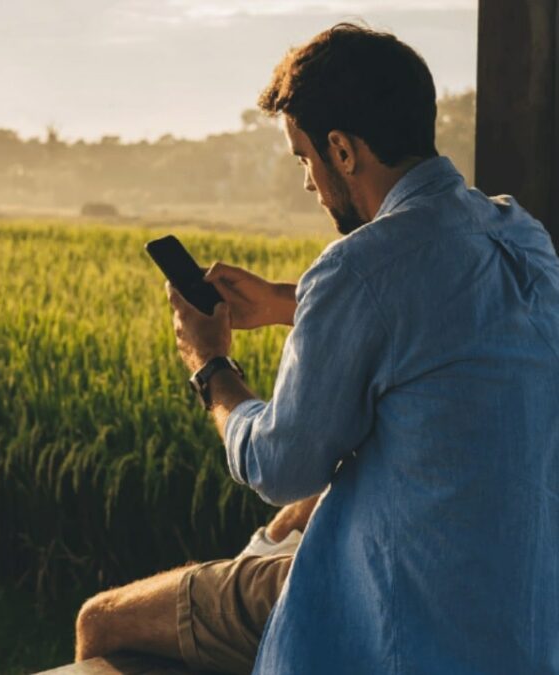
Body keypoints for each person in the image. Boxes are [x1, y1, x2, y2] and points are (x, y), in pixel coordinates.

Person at [75, 22, 559, 674]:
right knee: (298, 518)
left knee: (101, 621)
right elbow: (433, 312)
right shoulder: (520, 236)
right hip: (521, 619)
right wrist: (281, 302)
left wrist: (211, 367)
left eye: (304, 158)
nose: (308, 182)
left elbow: (279, 462)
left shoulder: (359, 267)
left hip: (399, 615)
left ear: (342, 149)